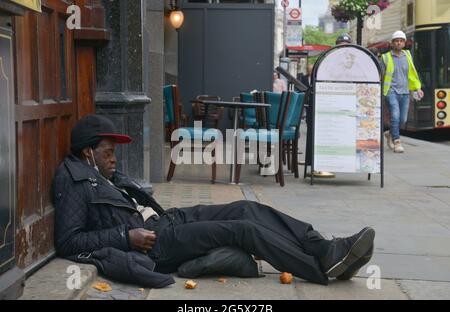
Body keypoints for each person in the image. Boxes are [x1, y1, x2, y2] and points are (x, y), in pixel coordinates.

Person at [52, 114, 376, 286]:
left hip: (167, 221)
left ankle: (324, 249)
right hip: (155, 243)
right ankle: (319, 270)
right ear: (87, 153)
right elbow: (69, 241)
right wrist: (126, 237)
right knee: (242, 229)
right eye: (108, 153)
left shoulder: (101, 174)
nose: (114, 159)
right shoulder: (75, 180)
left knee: (247, 207)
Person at [381, 30, 423, 153]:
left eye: (401, 41)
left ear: (404, 43)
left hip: (405, 92)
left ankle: (389, 133)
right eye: (396, 41)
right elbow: (380, 75)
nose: (399, 43)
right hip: (391, 91)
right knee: (395, 115)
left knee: (403, 120)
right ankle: (397, 142)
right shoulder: (385, 57)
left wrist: (417, 88)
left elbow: (412, 75)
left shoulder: (408, 56)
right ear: (392, 43)